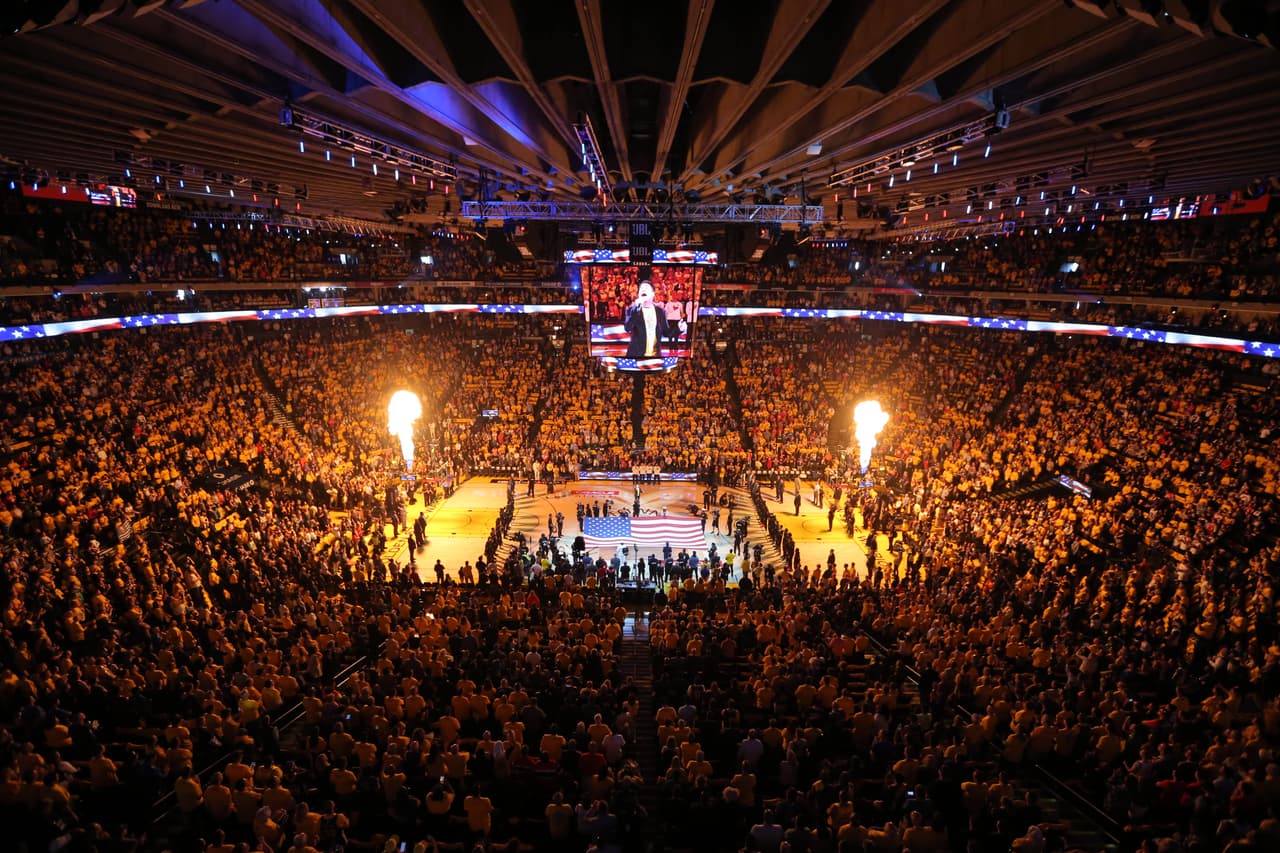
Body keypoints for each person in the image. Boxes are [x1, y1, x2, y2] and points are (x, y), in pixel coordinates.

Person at [624, 280, 686, 359]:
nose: (643, 289)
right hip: (636, 356)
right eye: (641, 289)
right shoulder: (632, 310)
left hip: (655, 357)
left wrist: (678, 328)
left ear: (653, 294)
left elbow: (666, 333)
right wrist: (636, 309)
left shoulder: (660, 312)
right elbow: (627, 328)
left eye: (646, 288)